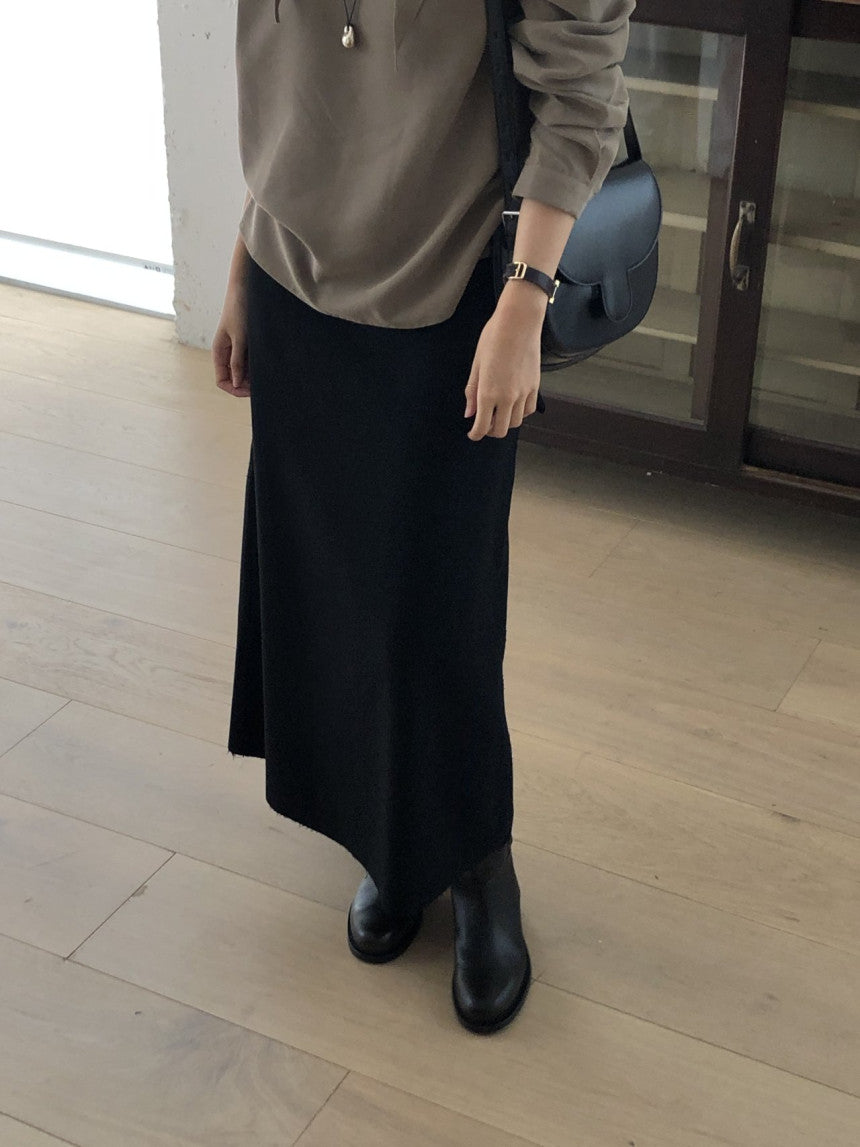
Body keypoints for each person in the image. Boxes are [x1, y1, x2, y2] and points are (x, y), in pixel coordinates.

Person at [213, 0, 633, 1035]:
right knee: (333, 587)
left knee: (437, 603)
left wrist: (524, 303)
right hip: (293, 268)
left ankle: (478, 861)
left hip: (455, 278)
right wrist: (242, 262)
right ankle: (391, 845)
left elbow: (578, 89)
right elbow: (282, 74)